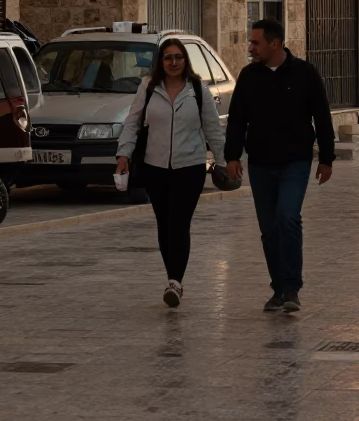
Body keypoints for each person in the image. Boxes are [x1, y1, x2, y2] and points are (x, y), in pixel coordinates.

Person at [225, 19, 335, 314]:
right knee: (269, 228)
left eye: (255, 43)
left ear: (275, 43)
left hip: (295, 161)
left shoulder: (305, 73)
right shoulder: (248, 76)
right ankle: (278, 288)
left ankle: (292, 288)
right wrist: (232, 156)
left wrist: (327, 158)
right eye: (250, 42)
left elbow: (322, 116)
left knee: (288, 218)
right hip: (260, 164)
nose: (250, 48)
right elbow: (237, 119)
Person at [117, 37, 226, 308]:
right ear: (160, 61)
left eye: (178, 57)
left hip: (189, 168)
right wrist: (123, 154)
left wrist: (225, 161)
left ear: (185, 60)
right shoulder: (149, 87)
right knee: (164, 224)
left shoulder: (198, 90)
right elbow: (132, 123)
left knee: (179, 222)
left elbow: (213, 129)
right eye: (168, 57)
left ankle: (175, 282)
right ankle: (172, 277)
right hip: (155, 168)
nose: (173, 62)